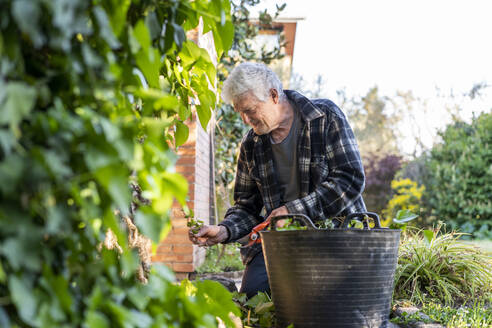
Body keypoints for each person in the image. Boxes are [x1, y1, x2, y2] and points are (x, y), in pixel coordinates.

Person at [188, 62, 366, 298]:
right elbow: (246, 207)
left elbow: (350, 178)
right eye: (240, 112)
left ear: (273, 95)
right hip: (280, 244)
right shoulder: (251, 145)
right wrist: (223, 230)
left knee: (323, 304)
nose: (245, 119)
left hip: (334, 238)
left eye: (250, 110)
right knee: (251, 298)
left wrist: (294, 212)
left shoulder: (325, 117)